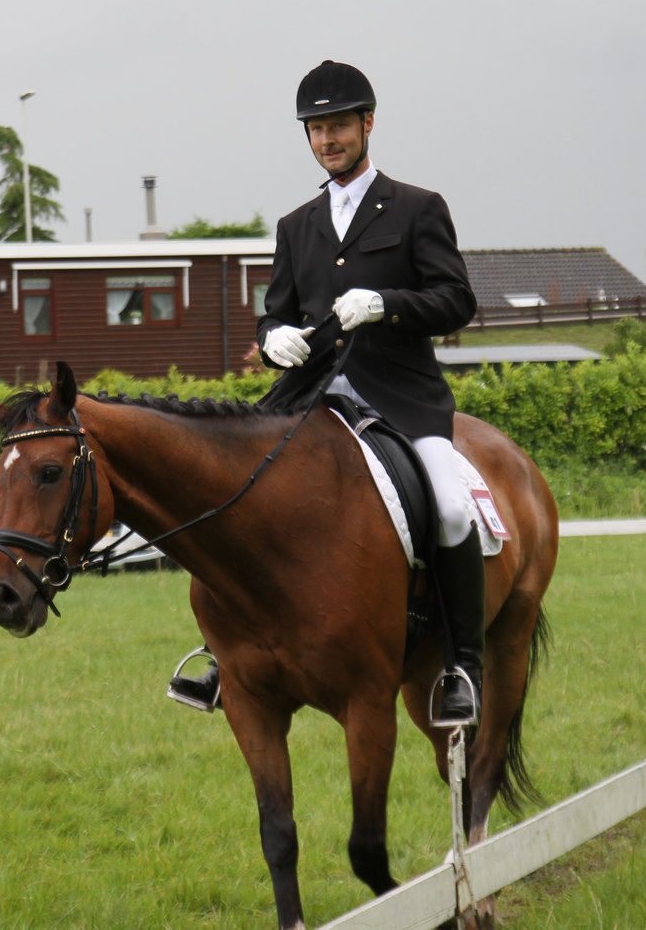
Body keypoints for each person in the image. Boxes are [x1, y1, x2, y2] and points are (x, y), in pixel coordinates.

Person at [168, 60, 487, 726]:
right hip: (308, 395)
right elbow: (275, 312)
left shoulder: (417, 207)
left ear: (367, 124)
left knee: (452, 509)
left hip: (400, 395)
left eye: (338, 126)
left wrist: (387, 304)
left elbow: (456, 299)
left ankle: (462, 666)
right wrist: (274, 337)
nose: (327, 139)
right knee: (237, 495)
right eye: (315, 129)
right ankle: (226, 654)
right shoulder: (296, 224)